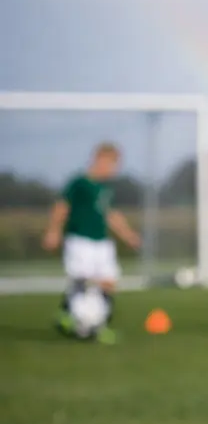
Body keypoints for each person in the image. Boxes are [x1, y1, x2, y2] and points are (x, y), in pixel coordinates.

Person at [43, 142, 141, 344]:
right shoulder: (79, 183)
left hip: (102, 242)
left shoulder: (105, 189)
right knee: (84, 281)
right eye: (112, 164)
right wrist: (53, 231)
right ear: (100, 159)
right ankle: (78, 319)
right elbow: (61, 207)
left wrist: (128, 234)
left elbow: (110, 215)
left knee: (109, 283)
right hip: (80, 239)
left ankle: (87, 320)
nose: (114, 170)